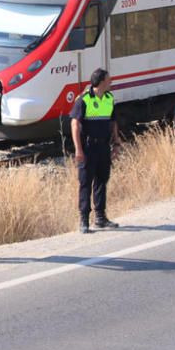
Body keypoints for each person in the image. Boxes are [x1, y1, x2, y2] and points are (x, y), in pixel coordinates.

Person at [71, 68, 121, 234]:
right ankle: (84, 220)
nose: (111, 82)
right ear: (101, 82)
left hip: (103, 147)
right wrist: (78, 149)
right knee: (85, 183)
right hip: (88, 147)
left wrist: (116, 143)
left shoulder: (109, 98)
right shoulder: (83, 100)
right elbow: (75, 124)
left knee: (102, 180)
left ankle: (100, 218)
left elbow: (113, 121)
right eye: (109, 79)